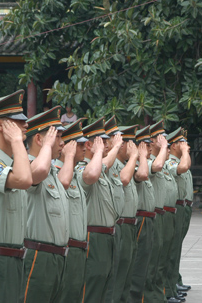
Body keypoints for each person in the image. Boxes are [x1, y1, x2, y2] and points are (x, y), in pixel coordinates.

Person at [0, 90, 33, 303]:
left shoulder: (11, 162)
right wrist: (17, 141)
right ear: (0, 125)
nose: (25, 126)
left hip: (14, 256)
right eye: (17, 122)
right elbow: (23, 180)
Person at [22, 107, 72, 303]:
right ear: (39, 140)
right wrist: (47, 146)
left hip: (57, 257)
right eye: (56, 136)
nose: (61, 143)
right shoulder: (29, 165)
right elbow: (38, 170)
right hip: (38, 256)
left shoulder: (51, 171)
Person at [78, 117, 120, 302]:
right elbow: (92, 173)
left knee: (106, 288)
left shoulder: (100, 167)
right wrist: (98, 153)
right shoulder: (83, 169)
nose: (107, 146)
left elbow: (104, 165)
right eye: (102, 142)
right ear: (89, 145)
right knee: (92, 289)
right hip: (93, 237)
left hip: (108, 236)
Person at [55, 118, 90, 303]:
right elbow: (63, 184)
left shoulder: (75, 172)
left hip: (79, 247)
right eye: (79, 144)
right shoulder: (57, 171)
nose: (85, 148)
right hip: (67, 248)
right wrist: (68, 157)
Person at [111, 125, 142, 303]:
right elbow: (123, 179)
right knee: (118, 274)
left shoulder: (125, 164)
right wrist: (135, 157)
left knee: (127, 273)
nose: (132, 147)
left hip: (130, 224)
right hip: (120, 225)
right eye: (128, 143)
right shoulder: (114, 164)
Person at [144, 121, 173, 303]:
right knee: (150, 261)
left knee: (159, 259)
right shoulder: (147, 162)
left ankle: (157, 295)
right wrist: (163, 148)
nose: (164, 143)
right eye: (159, 139)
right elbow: (158, 165)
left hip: (160, 215)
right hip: (150, 216)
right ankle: (150, 296)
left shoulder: (156, 160)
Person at [129, 127, 155, 302]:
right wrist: (142, 156)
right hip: (140, 219)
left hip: (149, 218)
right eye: (146, 145)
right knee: (137, 266)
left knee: (147, 263)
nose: (149, 148)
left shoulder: (140, 161)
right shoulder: (137, 164)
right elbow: (143, 174)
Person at [165, 128, 192, 302]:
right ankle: (170, 285)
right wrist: (184, 152)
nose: (186, 146)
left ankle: (174, 281)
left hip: (184, 207)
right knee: (171, 249)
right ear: (174, 145)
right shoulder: (171, 162)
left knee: (176, 248)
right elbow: (184, 167)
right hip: (176, 207)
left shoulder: (179, 159)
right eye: (181, 143)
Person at [102, 116, 126, 303]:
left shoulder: (114, 164)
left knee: (115, 275)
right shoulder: (101, 165)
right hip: (99, 232)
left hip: (114, 227)